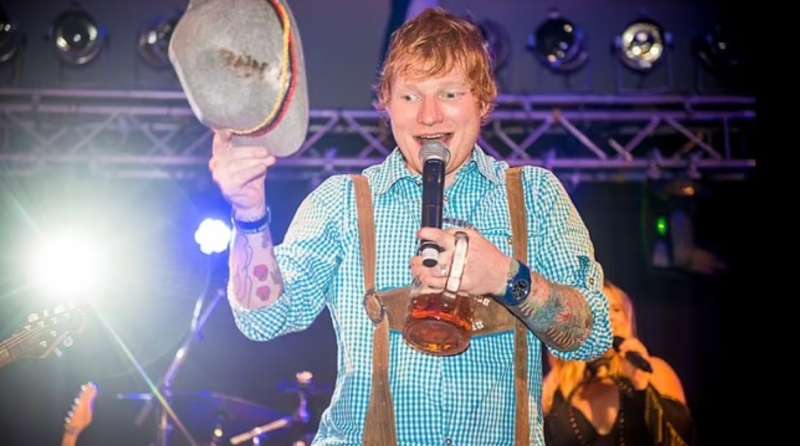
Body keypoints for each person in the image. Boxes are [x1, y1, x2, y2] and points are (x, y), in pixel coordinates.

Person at [209, 8, 611, 445]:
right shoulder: (343, 202)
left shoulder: (534, 196)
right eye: (410, 96)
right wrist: (249, 213)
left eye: (450, 94)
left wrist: (505, 277)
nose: (429, 116)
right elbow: (263, 320)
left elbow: (592, 337)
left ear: (483, 101)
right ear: (386, 104)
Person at [542, 281, 693, 445]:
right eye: (598, 309)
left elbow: (680, 439)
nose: (610, 317)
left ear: (627, 319)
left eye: (616, 309)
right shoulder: (555, 385)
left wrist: (641, 386)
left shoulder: (652, 370)